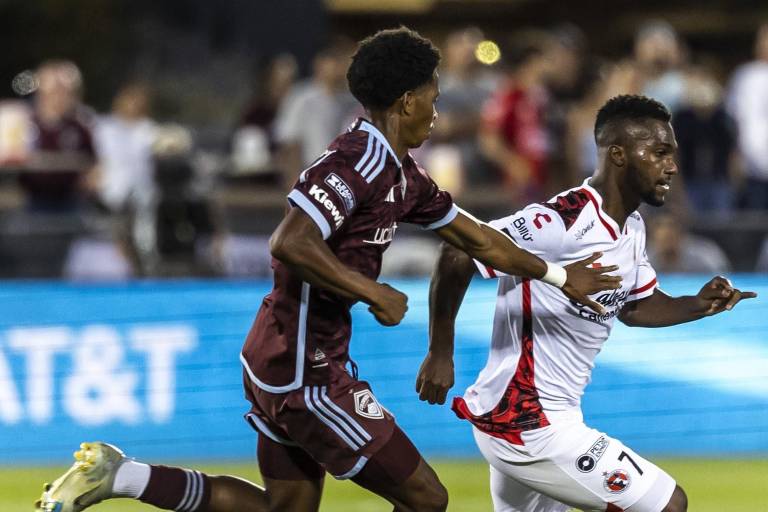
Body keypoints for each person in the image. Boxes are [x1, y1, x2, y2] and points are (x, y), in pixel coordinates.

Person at [36, 27, 620, 512]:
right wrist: (373, 292)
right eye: (434, 100)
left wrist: (564, 278)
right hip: (303, 368)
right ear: (407, 101)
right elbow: (290, 240)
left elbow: (480, 241)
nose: (438, 115)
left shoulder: (401, 173)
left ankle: (122, 476)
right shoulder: (358, 160)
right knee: (426, 498)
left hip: (285, 354)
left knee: (280, 509)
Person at [416, 95, 756, 512]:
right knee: (668, 505)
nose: (671, 166)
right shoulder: (563, 220)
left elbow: (634, 307)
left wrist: (698, 304)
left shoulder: (631, 226)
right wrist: (439, 351)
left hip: (545, 418)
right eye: (660, 153)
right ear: (618, 154)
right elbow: (458, 253)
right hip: (527, 419)